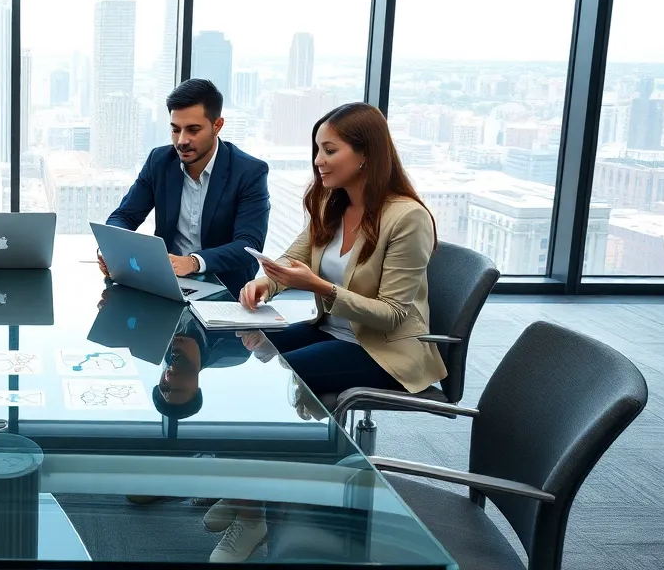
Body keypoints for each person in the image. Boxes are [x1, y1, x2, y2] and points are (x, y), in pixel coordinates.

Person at [238, 101, 445, 398]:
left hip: (385, 351)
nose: (318, 160)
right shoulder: (331, 205)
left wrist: (322, 288)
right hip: (330, 331)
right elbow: (294, 257)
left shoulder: (408, 217)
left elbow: (392, 314)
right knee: (248, 353)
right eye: (318, 150)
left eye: (330, 150)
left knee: (276, 378)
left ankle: (317, 444)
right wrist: (266, 283)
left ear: (365, 154)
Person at [102, 78, 270, 297]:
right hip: (167, 285)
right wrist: (112, 250)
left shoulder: (249, 172)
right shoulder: (159, 161)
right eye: (175, 130)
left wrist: (193, 262)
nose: (181, 141)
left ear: (217, 126)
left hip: (225, 292)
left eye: (193, 130)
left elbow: (249, 246)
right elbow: (124, 216)